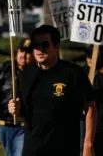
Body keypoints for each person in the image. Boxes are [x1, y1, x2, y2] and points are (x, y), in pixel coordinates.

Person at [8, 25, 97, 156]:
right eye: (35, 45)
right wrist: (13, 108)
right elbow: (20, 109)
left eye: (44, 45)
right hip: (32, 150)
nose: (39, 49)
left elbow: (90, 106)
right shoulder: (25, 74)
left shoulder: (73, 73)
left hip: (63, 149)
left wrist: (88, 144)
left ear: (56, 47)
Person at [0, 38, 34, 156]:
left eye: (28, 52)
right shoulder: (5, 68)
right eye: (21, 51)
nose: (23, 55)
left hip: (24, 127)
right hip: (4, 125)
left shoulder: (35, 72)